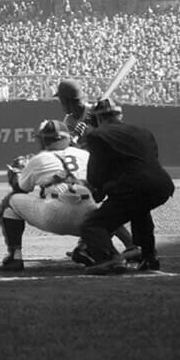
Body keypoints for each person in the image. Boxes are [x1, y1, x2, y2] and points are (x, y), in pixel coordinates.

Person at [0, 119, 112, 272]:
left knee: (10, 202)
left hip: (54, 215)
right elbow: (99, 187)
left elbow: (21, 189)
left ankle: (15, 257)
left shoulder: (38, 159)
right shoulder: (85, 154)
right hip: (89, 219)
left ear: (44, 140)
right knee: (111, 209)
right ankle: (86, 247)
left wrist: (16, 176)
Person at [79, 99, 175, 274]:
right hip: (162, 185)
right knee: (140, 210)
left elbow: (95, 177)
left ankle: (110, 258)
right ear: (120, 115)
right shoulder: (144, 132)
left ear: (97, 119)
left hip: (133, 186)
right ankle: (149, 258)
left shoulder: (96, 136)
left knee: (91, 225)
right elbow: (148, 161)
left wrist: (99, 189)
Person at [51, 78, 136, 265]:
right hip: (91, 169)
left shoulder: (96, 112)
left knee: (93, 209)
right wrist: (76, 139)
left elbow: (114, 133)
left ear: (68, 100)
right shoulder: (69, 120)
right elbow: (72, 148)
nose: (60, 104)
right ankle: (96, 244)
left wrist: (92, 130)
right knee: (92, 209)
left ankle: (106, 246)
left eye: (61, 100)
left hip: (109, 167)